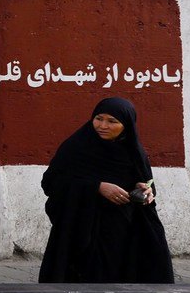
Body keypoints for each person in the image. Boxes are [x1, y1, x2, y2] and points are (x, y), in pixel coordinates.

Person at [38, 97, 173, 283]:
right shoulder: (76, 147)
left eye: (112, 121)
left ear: (126, 124)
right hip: (82, 230)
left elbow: (145, 182)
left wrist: (146, 190)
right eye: (99, 118)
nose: (103, 125)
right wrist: (97, 187)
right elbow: (52, 182)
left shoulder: (133, 151)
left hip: (122, 232)